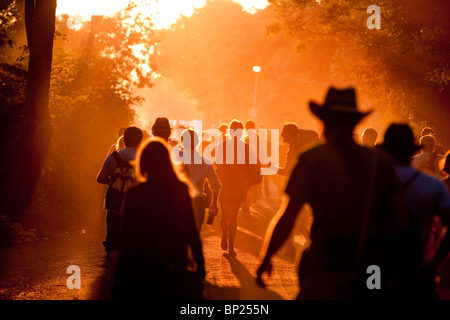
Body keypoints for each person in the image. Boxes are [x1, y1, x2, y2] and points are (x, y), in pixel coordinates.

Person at [257, 87, 411, 299]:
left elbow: (288, 215)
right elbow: (402, 220)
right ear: (356, 123)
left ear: (325, 123)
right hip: (371, 268)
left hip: (324, 264)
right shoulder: (379, 163)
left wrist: (267, 257)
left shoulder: (312, 160)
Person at [114, 137, 205, 299]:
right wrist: (200, 264)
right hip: (175, 261)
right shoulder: (180, 190)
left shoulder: (135, 194)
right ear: (168, 161)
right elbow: (191, 230)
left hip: (142, 265)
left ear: (143, 162)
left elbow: (126, 238)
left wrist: (119, 280)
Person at [381, 124, 450, 299]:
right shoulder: (433, 185)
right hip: (418, 271)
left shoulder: (370, 183)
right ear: (411, 150)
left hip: (377, 269)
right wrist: (434, 266)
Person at [97, 126, 143, 273]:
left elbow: (100, 178)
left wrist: (114, 182)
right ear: (141, 141)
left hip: (115, 206)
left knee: (113, 239)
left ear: (124, 139)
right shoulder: (144, 158)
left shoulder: (114, 157)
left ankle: (116, 268)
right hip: (137, 207)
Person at [215, 119, 261, 256]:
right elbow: (217, 162)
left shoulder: (246, 148)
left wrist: (247, 182)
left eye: (239, 132)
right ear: (230, 132)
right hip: (226, 184)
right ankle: (224, 236)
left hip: (238, 186)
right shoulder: (222, 145)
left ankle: (231, 247)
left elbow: (253, 166)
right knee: (224, 217)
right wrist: (225, 167)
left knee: (233, 217)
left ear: (241, 133)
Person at [177, 129, 222, 230]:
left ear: (182, 142)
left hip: (179, 203)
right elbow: (216, 186)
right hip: (198, 204)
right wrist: (214, 203)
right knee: (195, 236)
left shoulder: (176, 161)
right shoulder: (205, 162)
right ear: (197, 143)